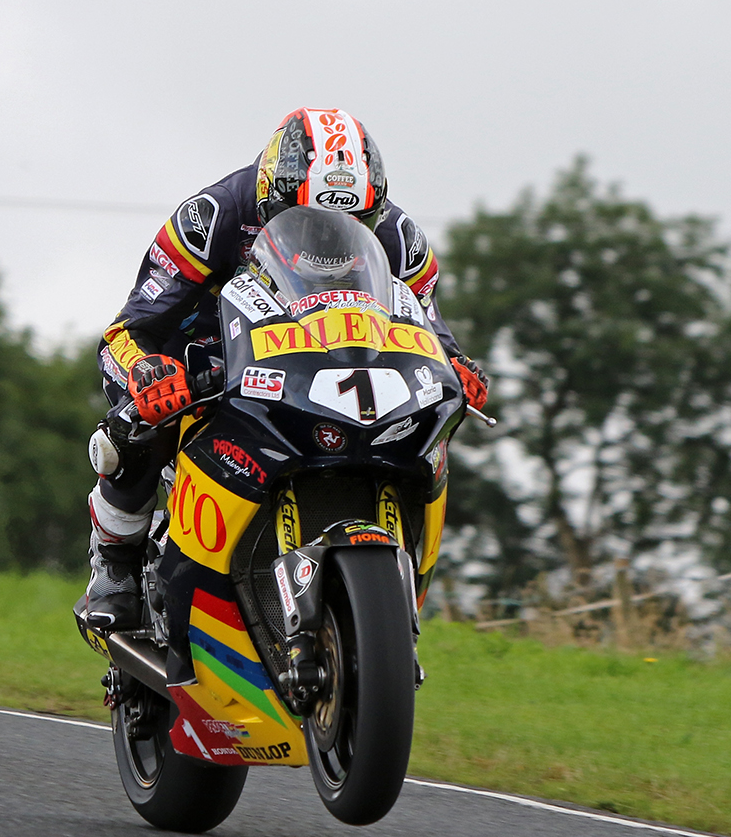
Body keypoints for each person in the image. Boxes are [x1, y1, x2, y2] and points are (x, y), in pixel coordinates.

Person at [82, 107, 489, 631]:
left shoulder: (400, 237)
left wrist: (456, 366)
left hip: (327, 359)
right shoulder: (211, 218)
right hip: (206, 350)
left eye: (350, 225)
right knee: (137, 428)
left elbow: (431, 327)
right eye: (310, 222)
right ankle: (113, 563)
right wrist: (148, 373)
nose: (328, 240)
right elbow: (129, 328)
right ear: (273, 194)